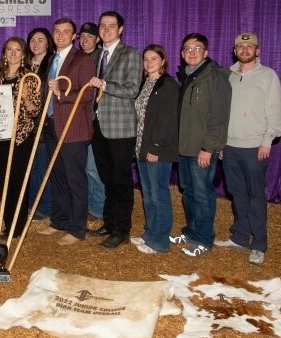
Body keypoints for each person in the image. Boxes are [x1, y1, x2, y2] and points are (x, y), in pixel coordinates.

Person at [214, 32, 281, 265]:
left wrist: (267, 140)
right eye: (240, 47)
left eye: (250, 46)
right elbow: (223, 112)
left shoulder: (268, 76)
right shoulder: (230, 75)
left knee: (256, 196)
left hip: (255, 147)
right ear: (234, 51)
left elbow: (275, 111)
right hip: (231, 146)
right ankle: (240, 237)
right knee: (237, 194)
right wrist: (222, 143)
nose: (245, 50)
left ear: (258, 50)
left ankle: (259, 244)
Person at [170, 32, 231, 257]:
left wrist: (209, 147)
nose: (191, 53)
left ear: (206, 52)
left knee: (203, 193)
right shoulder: (186, 75)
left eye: (196, 49)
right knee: (188, 191)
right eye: (187, 49)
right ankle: (192, 231)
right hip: (184, 147)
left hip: (201, 149)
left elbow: (218, 116)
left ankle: (205, 239)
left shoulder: (215, 76)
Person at [36, 18, 95, 246]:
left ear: (74, 36)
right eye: (57, 31)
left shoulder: (83, 59)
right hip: (52, 125)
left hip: (74, 128)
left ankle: (77, 228)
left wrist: (61, 92)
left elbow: (87, 94)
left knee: (75, 179)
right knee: (58, 177)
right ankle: (59, 221)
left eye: (66, 32)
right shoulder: (53, 58)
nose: (60, 35)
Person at [89, 11, 142, 249]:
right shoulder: (97, 55)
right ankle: (109, 223)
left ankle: (122, 229)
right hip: (98, 125)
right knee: (107, 178)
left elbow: (132, 90)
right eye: (103, 26)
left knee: (121, 180)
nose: (106, 30)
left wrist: (105, 84)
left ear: (120, 29)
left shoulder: (130, 54)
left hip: (121, 129)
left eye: (111, 26)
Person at [129, 44, 179, 254]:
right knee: (148, 194)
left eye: (154, 59)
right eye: (146, 59)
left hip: (157, 149)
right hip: (141, 146)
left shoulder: (167, 85)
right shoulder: (145, 83)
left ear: (163, 61)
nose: (149, 63)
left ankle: (160, 240)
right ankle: (150, 232)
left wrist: (156, 147)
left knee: (159, 194)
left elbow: (168, 120)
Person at [0, 37, 41, 239]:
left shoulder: (29, 78)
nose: (13, 53)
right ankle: (8, 223)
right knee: (4, 182)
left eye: (17, 50)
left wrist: (26, 98)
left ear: (23, 54)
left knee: (19, 182)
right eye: (9, 50)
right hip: (0, 136)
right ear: (4, 54)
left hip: (21, 138)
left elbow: (34, 111)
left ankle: (19, 226)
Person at [78, 22, 106, 222]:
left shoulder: (100, 59)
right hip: (78, 120)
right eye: (82, 36)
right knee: (83, 167)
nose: (85, 40)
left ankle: (97, 208)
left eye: (90, 36)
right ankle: (87, 204)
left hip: (95, 120)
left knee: (92, 167)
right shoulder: (78, 58)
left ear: (97, 39)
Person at [26, 27, 55, 220]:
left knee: (42, 167)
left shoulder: (52, 64)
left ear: (48, 43)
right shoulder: (25, 65)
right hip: (26, 124)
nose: (36, 43)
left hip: (43, 124)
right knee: (30, 166)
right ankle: (30, 203)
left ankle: (44, 206)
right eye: (32, 40)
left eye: (40, 40)